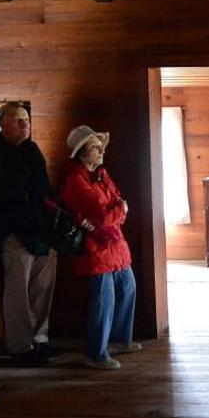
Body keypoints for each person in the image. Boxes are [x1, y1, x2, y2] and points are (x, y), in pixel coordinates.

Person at [0, 101, 59, 366]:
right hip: (14, 234)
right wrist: (5, 233)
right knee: (17, 292)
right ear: (3, 123)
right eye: (18, 120)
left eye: (27, 120)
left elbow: (43, 190)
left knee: (43, 287)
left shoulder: (33, 151)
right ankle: (20, 346)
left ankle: (39, 338)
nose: (25, 125)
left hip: (42, 231)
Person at [60, 125, 140, 370]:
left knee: (128, 289)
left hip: (115, 244)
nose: (101, 150)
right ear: (83, 152)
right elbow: (103, 215)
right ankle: (95, 353)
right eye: (96, 147)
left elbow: (117, 206)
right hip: (96, 248)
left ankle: (117, 340)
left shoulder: (102, 174)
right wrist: (118, 210)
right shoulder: (76, 180)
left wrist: (116, 211)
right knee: (103, 301)